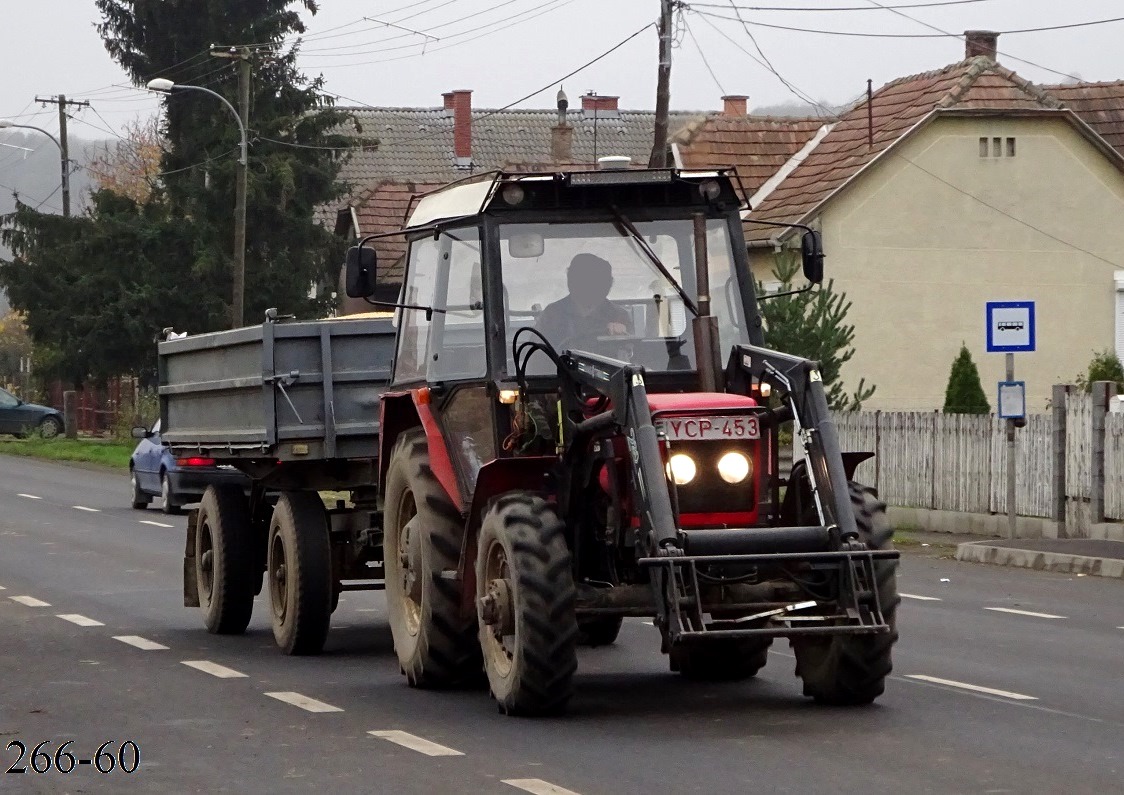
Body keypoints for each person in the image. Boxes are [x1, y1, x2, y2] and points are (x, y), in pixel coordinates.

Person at [536, 253, 631, 347]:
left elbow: (632, 354)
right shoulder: (552, 314)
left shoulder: (618, 315)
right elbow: (537, 355)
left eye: (601, 281)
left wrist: (622, 337)